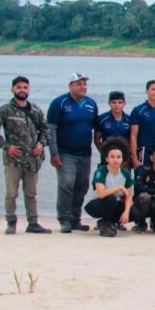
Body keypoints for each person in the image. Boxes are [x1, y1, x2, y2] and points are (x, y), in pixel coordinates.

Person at [0, 76, 51, 234]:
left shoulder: (35, 110)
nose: (22, 90)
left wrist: (41, 145)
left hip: (32, 160)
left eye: (25, 87)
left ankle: (33, 223)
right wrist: (6, 146)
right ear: (12, 89)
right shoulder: (5, 110)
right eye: (19, 87)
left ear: (29, 90)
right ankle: (11, 222)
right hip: (13, 160)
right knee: (11, 193)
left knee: (31, 193)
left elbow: (45, 129)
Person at [47, 72, 99, 233]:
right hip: (65, 153)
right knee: (66, 184)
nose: (82, 86)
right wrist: (54, 153)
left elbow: (95, 129)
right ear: (71, 86)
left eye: (84, 84)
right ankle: (64, 219)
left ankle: (76, 219)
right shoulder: (59, 103)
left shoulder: (91, 104)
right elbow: (51, 130)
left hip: (85, 153)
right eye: (78, 84)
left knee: (82, 186)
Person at [84, 146, 135, 237]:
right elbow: (101, 194)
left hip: (115, 204)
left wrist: (126, 212)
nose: (115, 160)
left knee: (134, 213)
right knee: (111, 199)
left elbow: (129, 195)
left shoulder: (126, 173)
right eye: (112, 157)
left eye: (118, 157)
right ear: (107, 159)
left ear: (122, 159)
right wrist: (119, 187)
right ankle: (105, 225)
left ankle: (107, 222)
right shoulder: (101, 171)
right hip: (96, 205)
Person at [94, 91, 131, 165]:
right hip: (107, 160)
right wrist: (105, 154)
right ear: (109, 103)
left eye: (120, 102)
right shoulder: (102, 119)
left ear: (124, 103)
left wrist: (127, 156)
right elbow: (97, 140)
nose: (117, 105)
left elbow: (132, 140)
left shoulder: (129, 120)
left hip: (124, 160)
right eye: (113, 102)